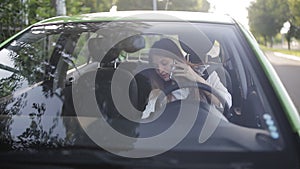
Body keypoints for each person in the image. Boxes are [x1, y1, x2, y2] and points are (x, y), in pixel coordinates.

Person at [142, 38, 232, 119]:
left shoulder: (206, 74)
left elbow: (226, 103)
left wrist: (197, 78)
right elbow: (146, 121)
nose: (160, 70)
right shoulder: (159, 90)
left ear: (176, 59)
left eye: (164, 63)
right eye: (156, 66)